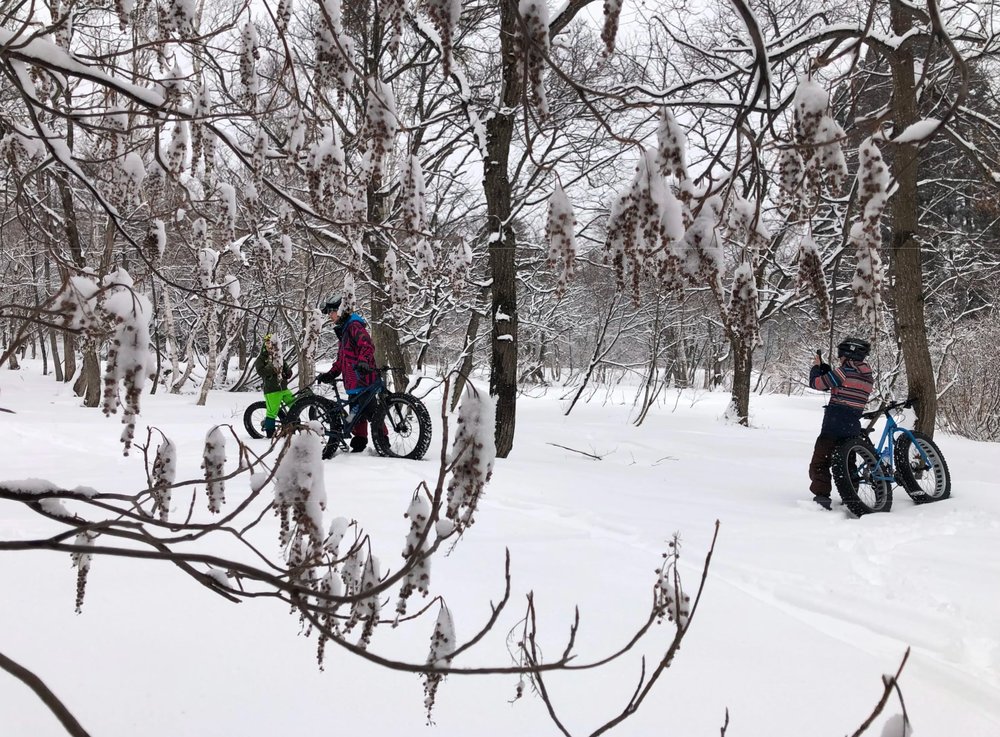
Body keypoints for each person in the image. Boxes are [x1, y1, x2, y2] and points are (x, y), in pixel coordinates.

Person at [807, 336, 874, 509]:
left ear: (848, 354)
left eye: (840, 354)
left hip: (833, 423)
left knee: (821, 460)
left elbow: (817, 384)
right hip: (852, 425)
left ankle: (822, 496)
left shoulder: (843, 372)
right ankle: (850, 495)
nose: (839, 358)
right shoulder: (868, 377)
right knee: (847, 461)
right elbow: (841, 384)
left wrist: (816, 368)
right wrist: (828, 370)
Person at [315, 294, 379, 452]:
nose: (330, 316)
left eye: (331, 312)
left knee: (374, 415)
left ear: (340, 310)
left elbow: (367, 345)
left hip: (364, 380)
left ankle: (383, 444)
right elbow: (341, 360)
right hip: (353, 384)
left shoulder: (354, 325)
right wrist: (331, 373)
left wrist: (364, 361)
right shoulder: (344, 331)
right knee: (355, 414)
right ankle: (359, 442)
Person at [254, 334, 294, 438]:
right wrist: (273, 368)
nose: (269, 345)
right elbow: (261, 371)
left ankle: (295, 427)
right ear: (264, 344)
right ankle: (270, 434)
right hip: (271, 390)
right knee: (272, 413)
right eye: (267, 343)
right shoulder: (261, 358)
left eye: (271, 343)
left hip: (283, 388)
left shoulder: (278, 355)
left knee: (295, 405)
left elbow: (285, 366)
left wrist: (288, 372)